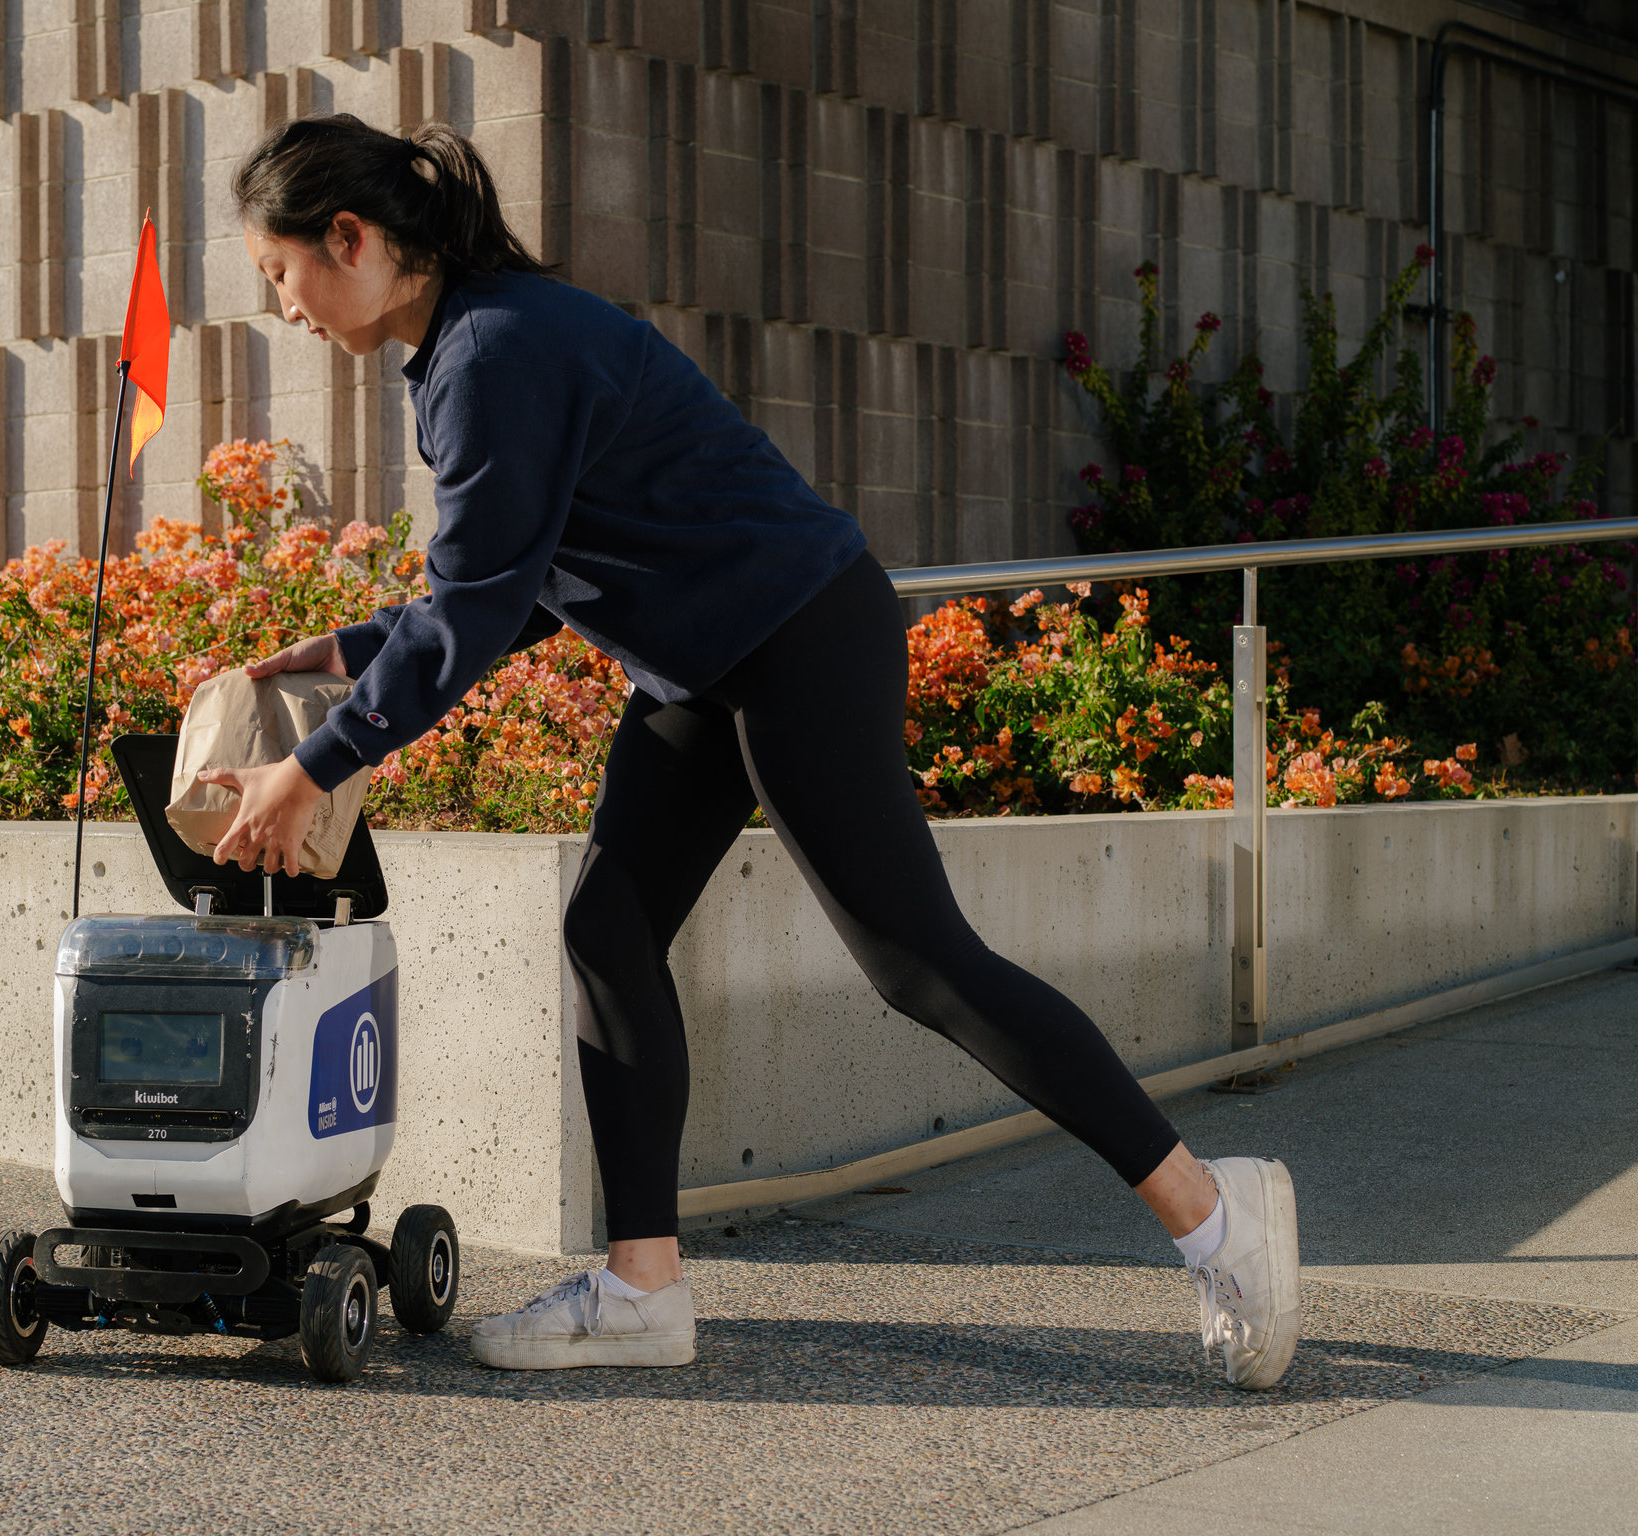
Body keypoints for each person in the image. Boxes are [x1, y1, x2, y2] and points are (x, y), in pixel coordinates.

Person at [199, 113, 1302, 1390]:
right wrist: (346, 652)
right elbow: (522, 580)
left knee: (919, 964)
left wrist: (314, 764)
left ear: (352, 238)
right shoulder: (484, 336)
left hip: (790, 641)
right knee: (607, 931)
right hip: (709, 660)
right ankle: (641, 1290)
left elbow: (480, 605)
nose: (281, 308)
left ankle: (1213, 1212)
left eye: (279, 274)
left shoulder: (491, 350)